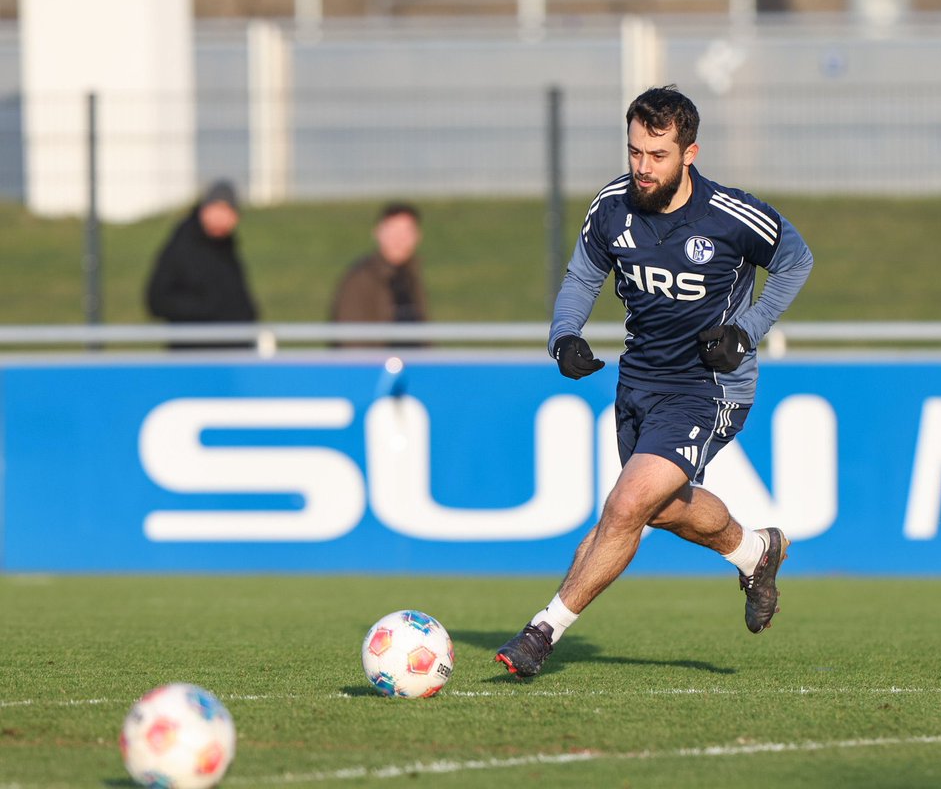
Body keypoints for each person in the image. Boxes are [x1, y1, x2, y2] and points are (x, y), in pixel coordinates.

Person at [495, 85, 815, 678]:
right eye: (635, 152)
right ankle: (755, 551)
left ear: (689, 154)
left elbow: (797, 260)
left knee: (624, 506)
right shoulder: (611, 206)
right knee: (658, 509)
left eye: (657, 155)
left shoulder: (731, 215)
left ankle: (542, 633)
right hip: (638, 382)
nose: (642, 167)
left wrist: (745, 330)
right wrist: (564, 336)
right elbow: (582, 276)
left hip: (709, 386)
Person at [145, 179, 258, 347]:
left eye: (228, 211)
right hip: (195, 354)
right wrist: (207, 309)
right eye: (218, 209)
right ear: (205, 210)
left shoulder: (227, 248)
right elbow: (157, 301)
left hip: (233, 355)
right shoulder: (182, 247)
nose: (222, 217)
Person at [329, 202, 428, 346]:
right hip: (373, 366)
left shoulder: (411, 276)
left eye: (406, 232)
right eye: (393, 231)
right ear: (378, 233)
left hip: (409, 366)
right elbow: (350, 338)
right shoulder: (360, 279)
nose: (399, 239)